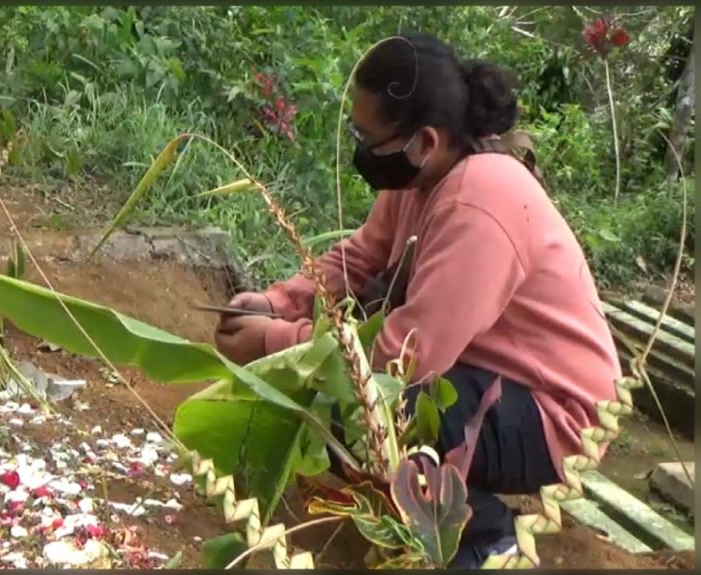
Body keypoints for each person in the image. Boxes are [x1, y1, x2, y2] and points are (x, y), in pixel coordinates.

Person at [213, 32, 621, 569]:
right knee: (348, 405)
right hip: (494, 378)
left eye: (369, 136)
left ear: (424, 139)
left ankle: (484, 539)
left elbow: (403, 357)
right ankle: (446, 510)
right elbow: (360, 259)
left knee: (360, 409)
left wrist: (273, 344)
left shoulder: (480, 203)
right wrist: (277, 304)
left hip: (558, 416)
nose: (361, 149)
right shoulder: (419, 176)